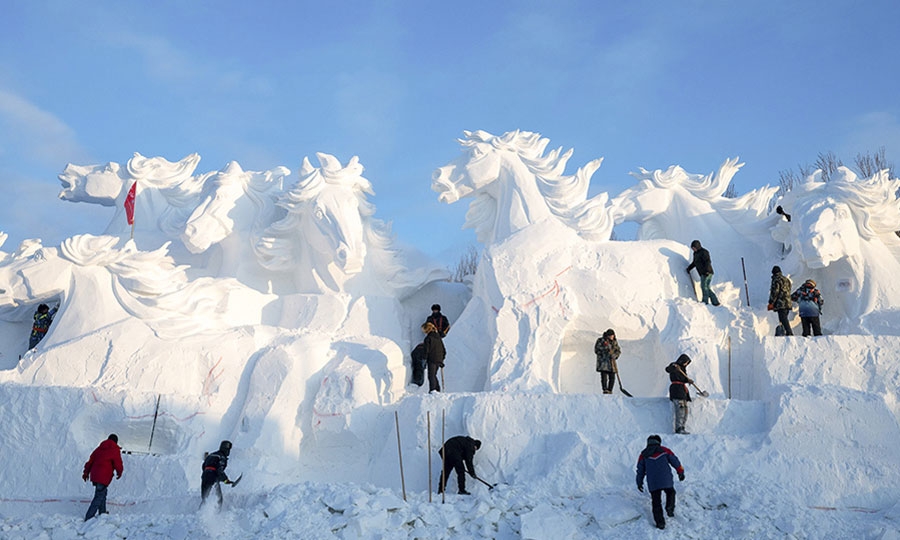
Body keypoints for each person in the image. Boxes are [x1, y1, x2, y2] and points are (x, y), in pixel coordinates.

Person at [636, 434, 685, 530]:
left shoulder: (643, 455)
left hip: (653, 482)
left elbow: (640, 470)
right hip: (665, 479)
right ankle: (669, 508)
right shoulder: (665, 450)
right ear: (659, 442)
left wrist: (639, 483)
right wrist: (680, 472)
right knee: (671, 492)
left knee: (656, 502)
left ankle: (660, 523)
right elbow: (675, 461)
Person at [82, 434, 123, 521]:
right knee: (99, 496)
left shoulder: (99, 449)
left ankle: (102, 512)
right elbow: (118, 463)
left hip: (95, 475)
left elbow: (90, 461)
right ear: (116, 441)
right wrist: (119, 472)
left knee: (102, 493)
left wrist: (86, 473)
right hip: (103, 476)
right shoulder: (114, 449)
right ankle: (89, 516)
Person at [685, 240, 720, 306]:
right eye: (692, 248)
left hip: (708, 272)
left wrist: (707, 271)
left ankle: (705, 302)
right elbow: (694, 263)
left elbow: (707, 262)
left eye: (694, 248)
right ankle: (715, 302)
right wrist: (689, 268)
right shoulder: (695, 254)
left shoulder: (704, 252)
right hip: (702, 273)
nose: (693, 249)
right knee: (706, 287)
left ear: (697, 246)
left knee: (704, 286)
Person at [201, 440, 234, 509]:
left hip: (204, 477)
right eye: (228, 450)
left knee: (205, 498)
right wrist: (225, 480)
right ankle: (216, 515)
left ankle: (200, 514)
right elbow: (219, 470)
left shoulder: (211, 455)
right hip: (212, 478)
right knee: (218, 499)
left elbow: (203, 466)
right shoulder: (221, 457)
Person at [665, 354, 693, 434]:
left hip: (682, 391)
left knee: (685, 411)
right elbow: (667, 369)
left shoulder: (683, 369)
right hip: (676, 390)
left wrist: (688, 381)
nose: (686, 364)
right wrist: (674, 367)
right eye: (685, 362)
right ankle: (678, 428)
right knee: (680, 410)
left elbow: (683, 378)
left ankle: (682, 427)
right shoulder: (674, 365)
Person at [594, 328, 621, 395]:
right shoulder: (601, 341)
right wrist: (606, 349)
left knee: (612, 377)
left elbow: (618, 351)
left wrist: (615, 355)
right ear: (608, 335)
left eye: (613, 336)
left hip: (611, 363)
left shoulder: (614, 342)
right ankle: (605, 390)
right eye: (611, 336)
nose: (612, 337)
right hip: (603, 362)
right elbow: (597, 350)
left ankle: (610, 390)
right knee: (604, 377)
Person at [768, 266, 793, 336]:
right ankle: (783, 332)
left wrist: (771, 302)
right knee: (784, 318)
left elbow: (775, 292)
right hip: (788, 302)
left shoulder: (776, 280)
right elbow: (789, 289)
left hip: (781, 303)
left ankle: (789, 332)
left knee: (783, 318)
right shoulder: (786, 279)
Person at [422, 322, 445, 392]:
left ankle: (433, 390)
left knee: (431, 376)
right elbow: (443, 349)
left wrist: (424, 359)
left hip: (432, 359)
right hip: (439, 359)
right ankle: (437, 389)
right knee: (434, 375)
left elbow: (426, 350)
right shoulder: (438, 337)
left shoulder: (428, 338)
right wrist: (442, 359)